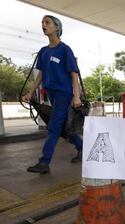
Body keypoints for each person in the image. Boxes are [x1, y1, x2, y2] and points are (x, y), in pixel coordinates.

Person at [22, 15, 83, 174]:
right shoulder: (43, 51)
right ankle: (82, 147)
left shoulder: (64, 49)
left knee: (54, 127)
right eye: (42, 22)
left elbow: (74, 74)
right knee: (62, 127)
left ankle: (44, 162)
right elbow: (41, 74)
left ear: (57, 27)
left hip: (64, 93)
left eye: (47, 22)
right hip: (51, 93)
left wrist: (76, 97)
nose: (43, 25)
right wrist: (30, 92)